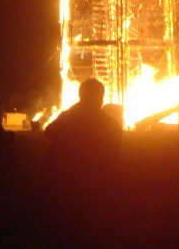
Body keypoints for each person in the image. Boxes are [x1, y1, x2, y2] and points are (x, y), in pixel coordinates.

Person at [43, 78, 123, 244]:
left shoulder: (69, 118)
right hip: (97, 184)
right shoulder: (110, 124)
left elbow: (49, 133)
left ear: (80, 96)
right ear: (101, 98)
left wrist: (72, 110)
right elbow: (115, 150)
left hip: (66, 181)